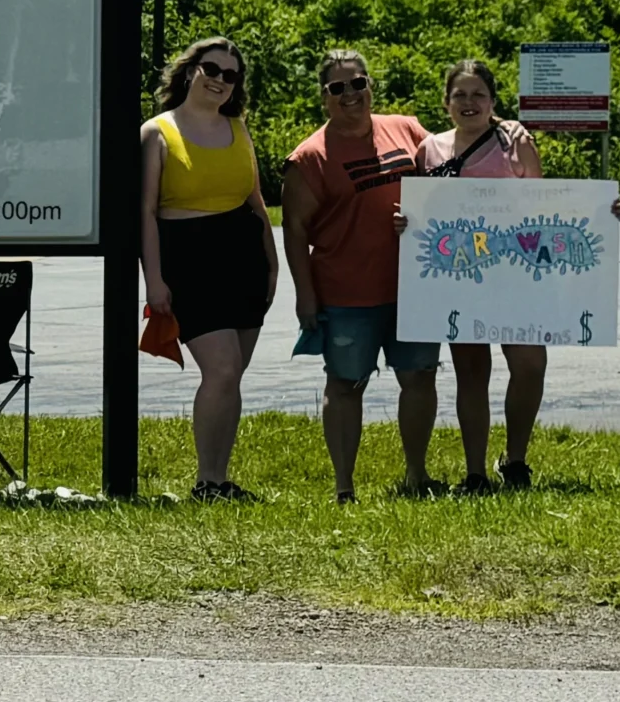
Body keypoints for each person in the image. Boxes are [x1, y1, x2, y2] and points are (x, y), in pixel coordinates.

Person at [410, 58, 620, 492]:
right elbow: (423, 214)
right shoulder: (429, 149)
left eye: (478, 95)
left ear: (493, 101)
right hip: (462, 276)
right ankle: (474, 472)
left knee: (530, 364)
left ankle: (516, 460)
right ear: (446, 101)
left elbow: (547, 205)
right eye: (460, 95)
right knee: (471, 372)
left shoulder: (515, 143)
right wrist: (406, 224)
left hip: (519, 275)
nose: (469, 103)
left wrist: (601, 212)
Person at [280, 49, 438, 501]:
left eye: (358, 83)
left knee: (420, 377)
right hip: (346, 293)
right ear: (324, 97)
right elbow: (294, 232)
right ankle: (345, 487)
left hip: (414, 287)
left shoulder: (407, 129)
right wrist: (304, 296)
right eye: (337, 87)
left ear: (371, 86)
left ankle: (416, 475)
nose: (350, 94)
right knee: (346, 385)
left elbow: (448, 182)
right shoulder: (308, 159)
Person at [140, 35, 278, 501]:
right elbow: (145, 213)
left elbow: (256, 199)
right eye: (211, 69)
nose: (220, 80)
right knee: (220, 369)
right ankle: (205, 480)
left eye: (230, 75)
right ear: (190, 70)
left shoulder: (239, 128)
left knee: (233, 374)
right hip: (188, 258)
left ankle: (220, 478)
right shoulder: (157, 132)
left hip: (243, 256)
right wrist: (153, 279)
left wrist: (273, 262)